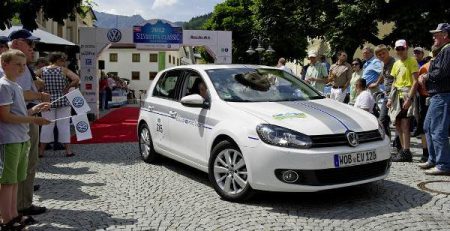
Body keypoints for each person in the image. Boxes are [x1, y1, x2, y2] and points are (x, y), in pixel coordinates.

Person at [0, 49, 51, 230]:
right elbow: (5, 117)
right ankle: (6, 219)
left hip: (20, 138)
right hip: (9, 140)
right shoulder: (4, 86)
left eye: (23, 65)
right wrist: (33, 119)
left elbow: (19, 113)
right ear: (4, 65)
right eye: (17, 65)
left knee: (15, 181)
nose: (22, 69)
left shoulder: (16, 86)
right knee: (7, 182)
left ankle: (14, 214)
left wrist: (34, 110)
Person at [9, 29, 50, 216]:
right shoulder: (16, 65)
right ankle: (21, 205)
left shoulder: (20, 64)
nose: (33, 48)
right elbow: (19, 94)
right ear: (17, 43)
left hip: (27, 114)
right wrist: (39, 95)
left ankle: (19, 205)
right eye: (30, 44)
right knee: (25, 164)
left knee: (25, 164)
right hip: (22, 118)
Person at [418, 23, 450, 175]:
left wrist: (426, 76)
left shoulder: (448, 49)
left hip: (442, 95)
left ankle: (443, 164)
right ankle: (434, 159)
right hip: (436, 95)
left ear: (445, 35)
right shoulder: (443, 50)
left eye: (437, 34)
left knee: (438, 130)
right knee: (427, 127)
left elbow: (441, 72)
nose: (434, 37)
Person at [36, 52, 80, 158]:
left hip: (47, 100)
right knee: (63, 126)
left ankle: (41, 152)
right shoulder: (63, 70)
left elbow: (32, 77)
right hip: (63, 100)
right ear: (57, 60)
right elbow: (76, 79)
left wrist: (41, 87)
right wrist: (67, 87)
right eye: (62, 60)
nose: (64, 62)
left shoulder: (42, 70)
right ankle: (68, 151)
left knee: (47, 126)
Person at [387, 39, 419, 162]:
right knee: (397, 124)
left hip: (406, 93)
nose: (400, 51)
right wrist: (390, 98)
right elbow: (394, 82)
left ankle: (406, 151)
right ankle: (403, 150)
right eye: (398, 49)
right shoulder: (396, 64)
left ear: (406, 48)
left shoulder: (412, 61)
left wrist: (410, 98)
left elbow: (415, 81)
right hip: (396, 95)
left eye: (402, 48)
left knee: (405, 124)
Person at [416, 46, 439, 163]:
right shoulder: (426, 67)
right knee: (432, 127)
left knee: (428, 127)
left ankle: (428, 154)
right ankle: (430, 154)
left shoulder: (425, 67)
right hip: (429, 98)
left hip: (427, 98)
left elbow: (420, 85)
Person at [374, 44, 396, 139]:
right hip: (386, 94)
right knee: (382, 120)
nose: (382, 56)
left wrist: (391, 96)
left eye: (383, 53)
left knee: (396, 122)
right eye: (379, 54)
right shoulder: (383, 63)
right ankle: (388, 142)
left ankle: (400, 147)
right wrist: (377, 83)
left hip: (395, 94)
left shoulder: (394, 62)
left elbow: (396, 79)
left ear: (388, 52)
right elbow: (382, 75)